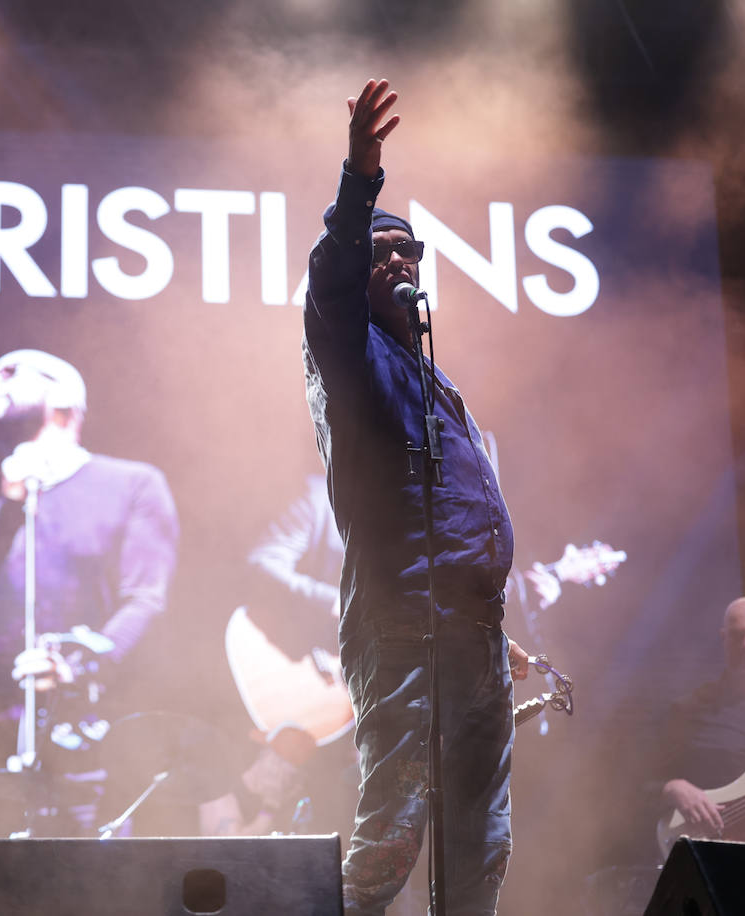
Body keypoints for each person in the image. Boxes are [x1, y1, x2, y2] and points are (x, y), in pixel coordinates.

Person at [301, 79, 532, 915]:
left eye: (411, 252)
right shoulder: (350, 358)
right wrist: (360, 181)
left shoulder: (433, 376)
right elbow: (331, 278)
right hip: (403, 622)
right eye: (381, 252)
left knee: (480, 843)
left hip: (471, 633)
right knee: (396, 827)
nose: (398, 260)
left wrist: (489, 621)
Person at [0, 349, 179, 830]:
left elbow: (145, 598)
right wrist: (7, 511)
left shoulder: (132, 485)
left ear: (64, 397)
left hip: (88, 737)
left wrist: (77, 664)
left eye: (10, 371)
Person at [655, 596, 745, 850]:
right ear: (723, 638)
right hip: (711, 858)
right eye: (737, 635)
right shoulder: (691, 708)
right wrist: (672, 788)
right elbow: (638, 781)